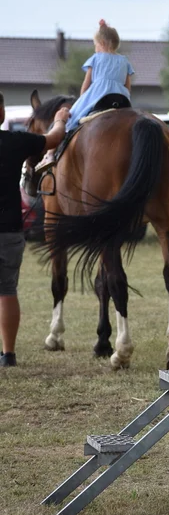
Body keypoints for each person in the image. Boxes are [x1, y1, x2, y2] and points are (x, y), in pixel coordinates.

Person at [0, 92, 70, 367]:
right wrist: (60, 119)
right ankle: (8, 354)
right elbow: (53, 139)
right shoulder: (15, 142)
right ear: (2, 114)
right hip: (8, 232)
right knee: (6, 290)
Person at [36, 19, 134, 172]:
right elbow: (127, 86)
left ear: (101, 43)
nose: (95, 48)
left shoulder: (95, 59)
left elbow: (86, 84)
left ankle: (49, 154)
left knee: (69, 121)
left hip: (97, 97)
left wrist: (83, 99)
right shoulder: (124, 61)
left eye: (95, 45)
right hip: (120, 98)